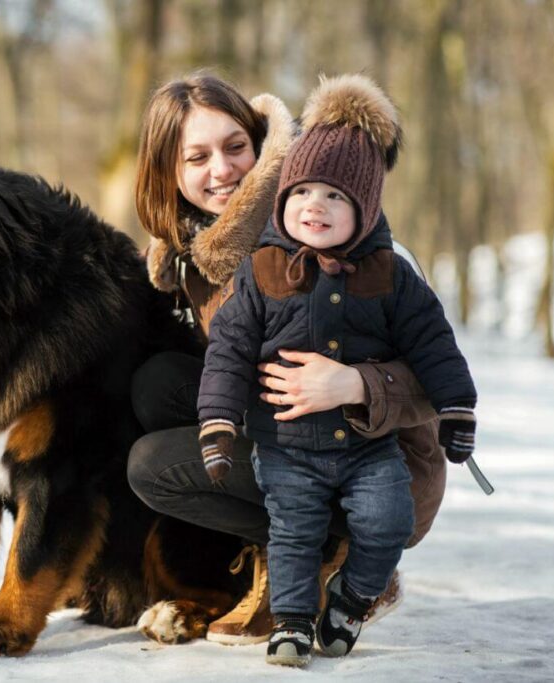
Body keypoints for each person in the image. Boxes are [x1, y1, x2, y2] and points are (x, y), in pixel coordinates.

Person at [128, 71, 446, 647]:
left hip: (384, 462)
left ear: (260, 145)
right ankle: (287, 545)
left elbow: (438, 376)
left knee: (153, 464)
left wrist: (354, 383)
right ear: (168, 172)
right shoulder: (198, 253)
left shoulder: (326, 223)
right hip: (292, 435)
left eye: (234, 148)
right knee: (158, 384)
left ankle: (339, 561)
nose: (221, 171)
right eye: (196, 157)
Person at [196, 74, 477, 667]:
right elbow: (228, 350)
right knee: (292, 531)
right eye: (301, 193)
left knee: (387, 519)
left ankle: (353, 597)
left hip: (368, 445)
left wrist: (457, 408)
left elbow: (435, 346)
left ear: (365, 211)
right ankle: (293, 622)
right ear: (281, 200)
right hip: (287, 445)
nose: (314, 206)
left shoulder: (390, 275)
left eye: (335, 197)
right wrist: (218, 423)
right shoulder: (261, 270)